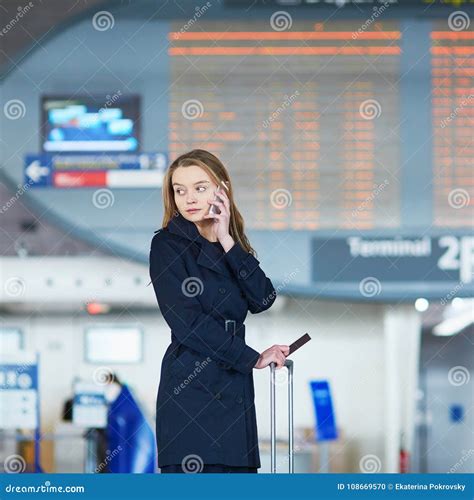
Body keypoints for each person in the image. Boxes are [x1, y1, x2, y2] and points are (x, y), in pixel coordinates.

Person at [148, 149, 289, 473]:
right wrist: (251, 358)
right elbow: (188, 324)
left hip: (234, 390)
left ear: (221, 190)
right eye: (179, 190)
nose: (188, 198)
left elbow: (263, 299)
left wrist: (226, 238)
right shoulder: (167, 245)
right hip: (189, 392)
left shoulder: (231, 244)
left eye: (199, 187)